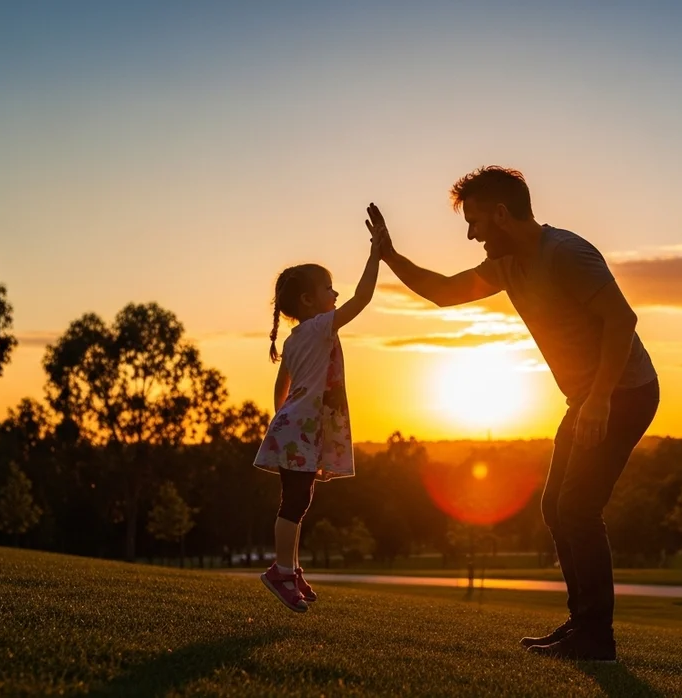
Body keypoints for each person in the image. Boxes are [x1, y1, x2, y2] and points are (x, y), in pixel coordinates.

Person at [370, 166, 658, 661]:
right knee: (556, 508)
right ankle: (582, 624)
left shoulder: (565, 253)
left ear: (502, 214)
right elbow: (444, 292)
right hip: (587, 398)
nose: (471, 234)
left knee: (578, 508)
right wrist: (389, 255)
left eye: (475, 222)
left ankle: (597, 638)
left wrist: (599, 399)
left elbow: (621, 319)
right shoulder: (507, 265)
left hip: (623, 392)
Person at [253, 221, 388, 612]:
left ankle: (291, 569)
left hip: (295, 428)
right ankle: (280, 571)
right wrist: (375, 255)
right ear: (308, 301)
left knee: (300, 499)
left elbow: (280, 385)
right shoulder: (319, 328)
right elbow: (362, 298)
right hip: (298, 430)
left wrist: (284, 421)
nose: (336, 293)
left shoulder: (296, 338)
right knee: (294, 503)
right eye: (329, 288)